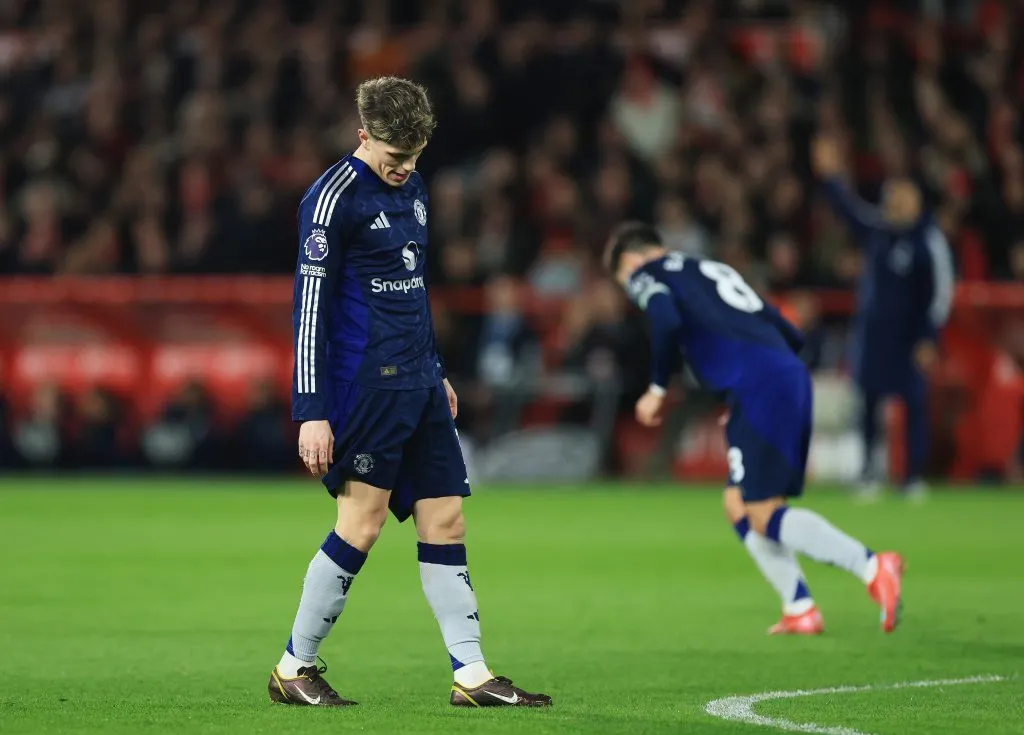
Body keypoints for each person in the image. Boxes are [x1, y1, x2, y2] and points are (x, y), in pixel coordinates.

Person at [272, 76, 551, 708]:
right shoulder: (330, 200)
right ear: (363, 135)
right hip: (365, 388)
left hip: (420, 384)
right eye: (395, 159)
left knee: (447, 519)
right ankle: (294, 666)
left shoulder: (415, 184)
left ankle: (472, 676)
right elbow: (308, 311)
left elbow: (410, 288)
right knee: (362, 525)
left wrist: (435, 368)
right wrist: (311, 412)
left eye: (415, 158)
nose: (405, 170)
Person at [604, 222, 905, 636]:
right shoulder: (707, 268)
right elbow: (786, 328)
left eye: (624, 280)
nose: (629, 289)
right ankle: (799, 606)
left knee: (763, 512)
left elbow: (665, 317)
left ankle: (872, 565)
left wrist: (658, 387)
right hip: (782, 374)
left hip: (759, 383)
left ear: (631, 260)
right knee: (738, 503)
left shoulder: (647, 273)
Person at [812, 137, 954, 500]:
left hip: (909, 337)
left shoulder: (928, 241)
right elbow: (849, 210)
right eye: (891, 199)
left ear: (916, 202)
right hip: (874, 336)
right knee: (868, 406)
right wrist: (830, 178)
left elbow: (939, 294)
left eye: (901, 199)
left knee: (914, 407)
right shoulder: (878, 231)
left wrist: (929, 338)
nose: (894, 205)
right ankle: (868, 473)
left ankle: (911, 478)